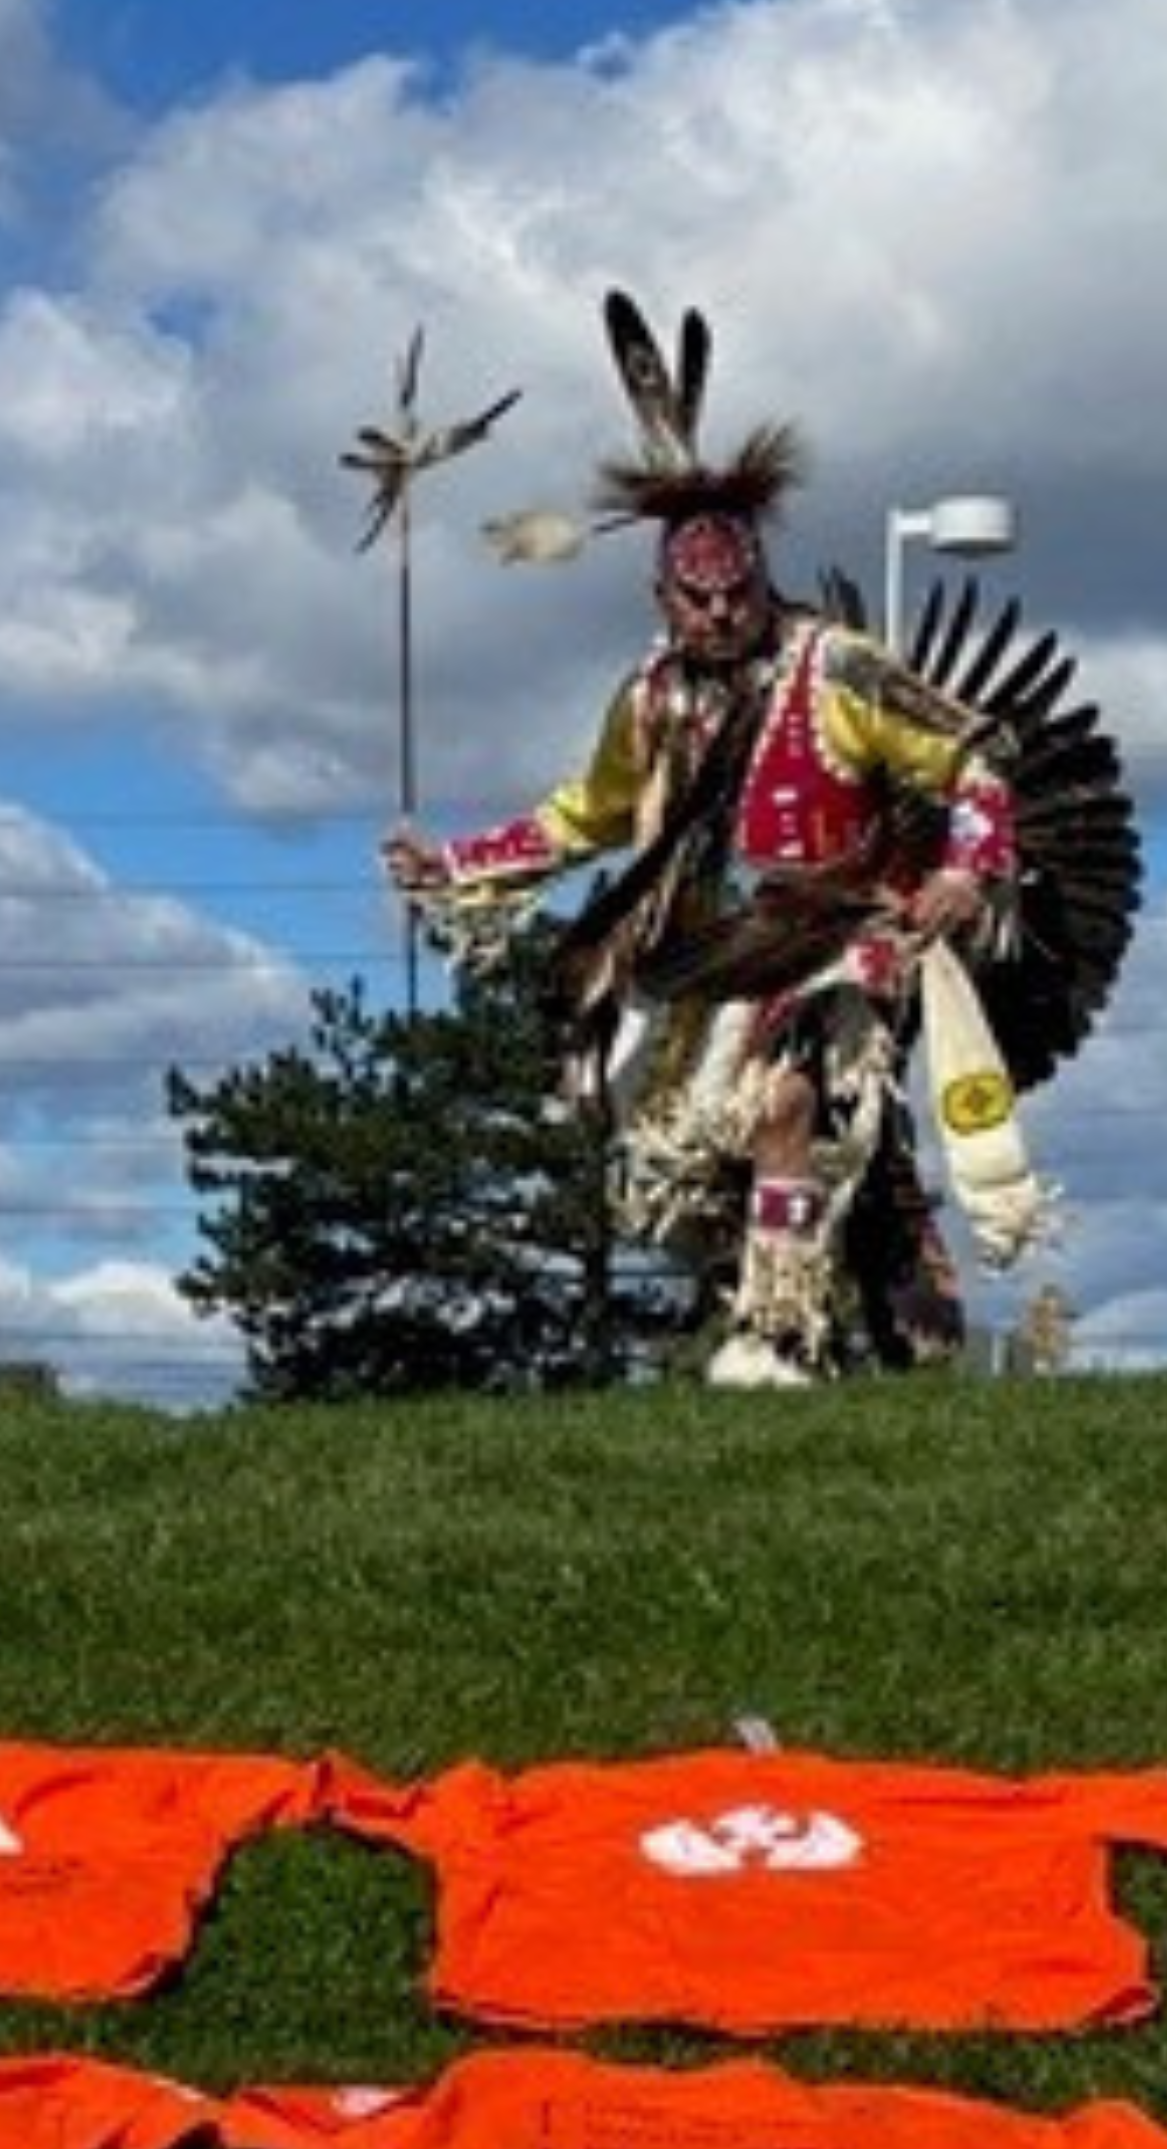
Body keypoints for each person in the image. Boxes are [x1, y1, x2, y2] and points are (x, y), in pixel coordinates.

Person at [387, 291, 1125, 1388]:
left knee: (785, 1106)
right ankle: (824, 1288)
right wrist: (452, 867)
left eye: (737, 595)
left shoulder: (838, 670)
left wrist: (968, 868)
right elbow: (580, 816)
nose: (722, 616)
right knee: (715, 1162)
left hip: (837, 938)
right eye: (699, 599)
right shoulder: (648, 702)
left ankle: (775, 1338)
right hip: (704, 958)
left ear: (758, 578)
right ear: (663, 592)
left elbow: (975, 760)